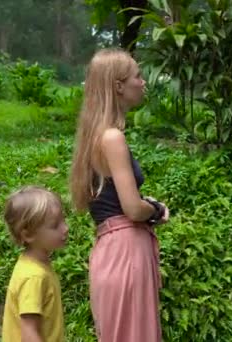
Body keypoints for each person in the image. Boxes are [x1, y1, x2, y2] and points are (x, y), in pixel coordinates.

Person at [69, 48, 170, 342]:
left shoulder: (94, 136)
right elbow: (132, 209)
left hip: (109, 250)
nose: (143, 82)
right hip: (127, 252)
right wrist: (156, 209)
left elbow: (116, 201)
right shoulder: (112, 137)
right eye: (137, 76)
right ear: (118, 86)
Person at [1, 186, 68, 342]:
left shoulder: (32, 266)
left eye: (63, 220)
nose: (65, 228)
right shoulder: (34, 277)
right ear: (28, 234)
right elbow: (29, 332)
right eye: (55, 225)